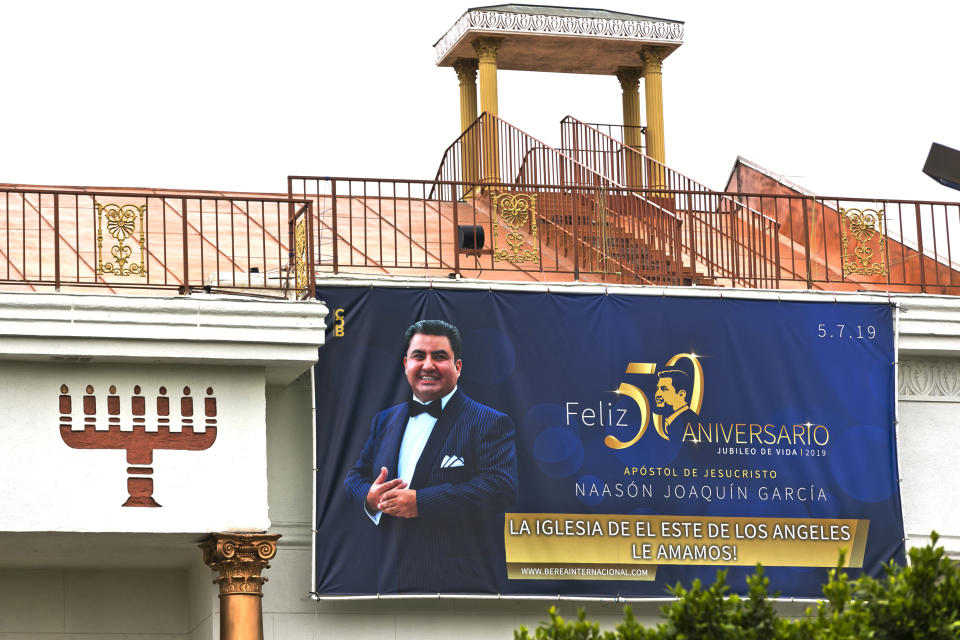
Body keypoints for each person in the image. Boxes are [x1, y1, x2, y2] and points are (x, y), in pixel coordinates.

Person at [344, 320, 518, 593]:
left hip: (457, 583)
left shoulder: (489, 421)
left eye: (439, 357)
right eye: (419, 356)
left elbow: (499, 488)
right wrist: (370, 497)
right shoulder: (384, 420)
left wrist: (420, 502)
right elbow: (355, 477)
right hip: (385, 577)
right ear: (406, 364)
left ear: (457, 367)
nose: (427, 365)